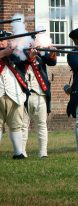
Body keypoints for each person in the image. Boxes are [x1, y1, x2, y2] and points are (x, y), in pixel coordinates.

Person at [21, 46, 57, 158]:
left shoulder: (40, 56)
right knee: (23, 126)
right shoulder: (19, 56)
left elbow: (52, 62)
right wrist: (29, 56)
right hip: (23, 95)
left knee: (42, 125)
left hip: (40, 94)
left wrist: (52, 52)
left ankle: (43, 152)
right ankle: (21, 152)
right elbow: (20, 64)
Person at [0, 30, 29, 159]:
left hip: (14, 94)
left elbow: (23, 59)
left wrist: (16, 47)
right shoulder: (5, 53)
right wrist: (3, 53)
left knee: (16, 124)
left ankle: (18, 153)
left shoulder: (13, 53)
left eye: (3, 39)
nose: (1, 42)